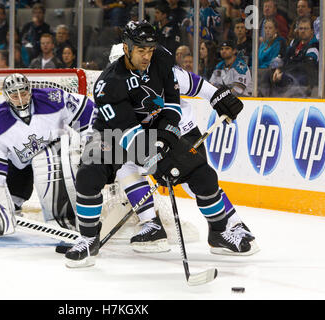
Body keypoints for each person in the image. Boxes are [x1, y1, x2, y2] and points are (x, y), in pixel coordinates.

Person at [65, 21, 256, 268]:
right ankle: (88, 239)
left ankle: (219, 233)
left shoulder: (162, 59)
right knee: (89, 174)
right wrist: (152, 152)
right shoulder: (108, 84)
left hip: (154, 127)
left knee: (204, 175)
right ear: (126, 49)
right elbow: (127, 133)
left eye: (150, 50)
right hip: (112, 132)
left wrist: (165, 139)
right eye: (140, 51)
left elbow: (173, 105)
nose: (146, 56)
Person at [0, 73, 96, 238]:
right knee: (5, 202)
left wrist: (90, 141)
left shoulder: (52, 98)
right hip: (20, 166)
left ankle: (63, 220)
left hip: (56, 157)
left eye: (23, 93)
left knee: (49, 166)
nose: (20, 99)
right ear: (7, 97)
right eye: (15, 95)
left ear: (30, 90)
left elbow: (85, 109)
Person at [269, 16, 319, 97]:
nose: (303, 31)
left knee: (288, 78)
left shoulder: (315, 46)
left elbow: (305, 67)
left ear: (312, 31)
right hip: (290, 74)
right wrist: (279, 69)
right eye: (301, 28)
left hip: (306, 79)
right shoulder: (295, 42)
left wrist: (284, 72)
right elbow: (285, 57)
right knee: (268, 74)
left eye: (306, 29)